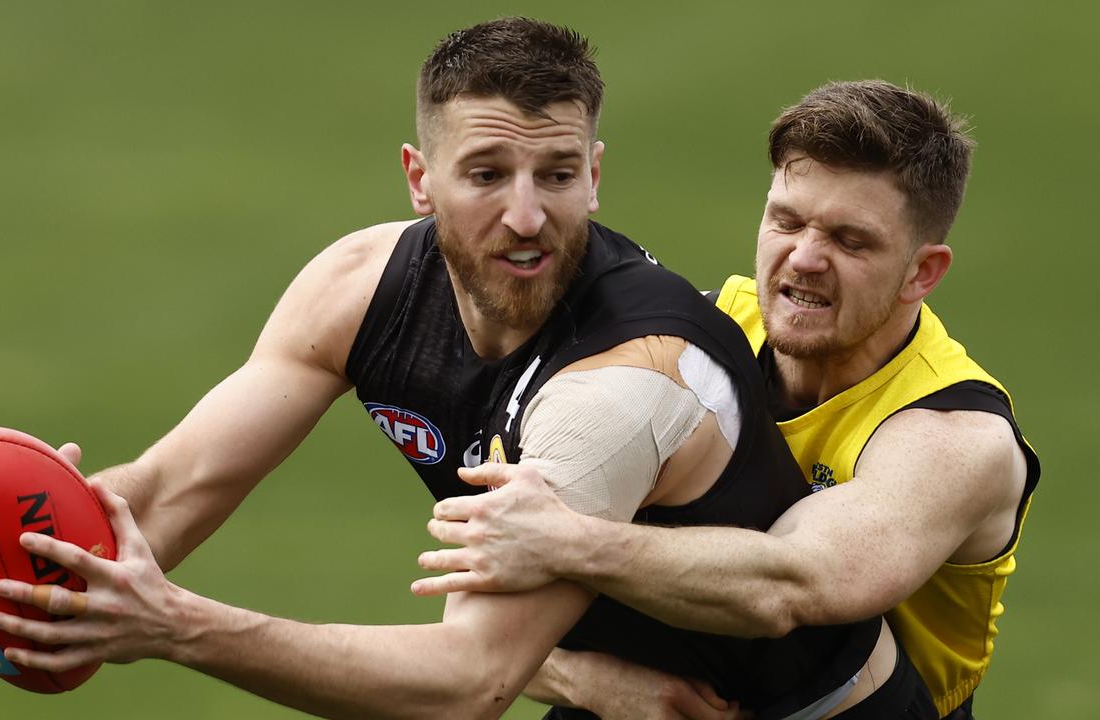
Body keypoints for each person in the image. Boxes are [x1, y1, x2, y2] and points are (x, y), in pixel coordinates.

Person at [0, 21, 934, 720]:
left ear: (596, 174)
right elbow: (171, 490)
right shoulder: (359, 283)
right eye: (485, 174)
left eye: (557, 176)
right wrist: (32, 550)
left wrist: (174, 626)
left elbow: (467, 684)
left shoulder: (621, 389)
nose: (525, 216)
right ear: (418, 178)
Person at [411, 80, 1041, 719]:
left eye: (851, 241)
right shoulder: (697, 337)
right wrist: (590, 684)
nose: (805, 257)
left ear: (922, 272)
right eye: (787, 221)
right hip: (667, 692)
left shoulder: (954, 434)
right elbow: (495, 591)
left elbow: (795, 585)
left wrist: (570, 541)